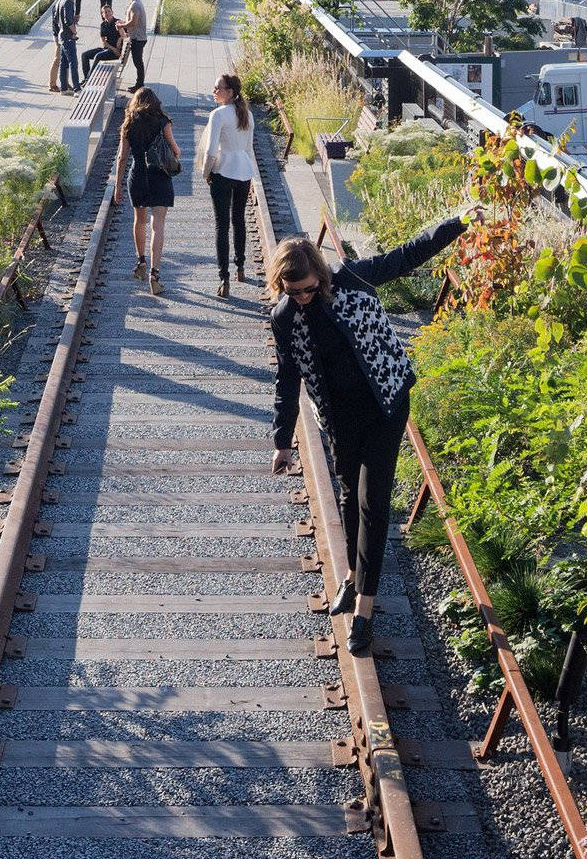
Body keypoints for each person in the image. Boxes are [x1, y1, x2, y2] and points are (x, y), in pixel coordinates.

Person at [268, 217, 474, 655]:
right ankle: (352, 576)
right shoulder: (284, 318)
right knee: (348, 494)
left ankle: (364, 609)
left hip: (385, 403)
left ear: (319, 277)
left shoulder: (351, 278)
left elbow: (406, 255)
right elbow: (288, 379)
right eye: (294, 292)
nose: (303, 298)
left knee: (372, 500)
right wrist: (282, 441)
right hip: (340, 416)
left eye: (308, 288)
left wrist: (456, 224)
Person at [113, 86, 180, 294]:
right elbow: (176, 150)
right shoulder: (163, 122)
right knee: (157, 225)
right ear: (155, 102)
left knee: (139, 220)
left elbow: (122, 157)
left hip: (138, 176)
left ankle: (141, 262)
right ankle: (155, 273)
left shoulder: (128, 123)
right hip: (160, 177)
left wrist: (117, 186)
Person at [199, 72, 256, 298]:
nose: (214, 91)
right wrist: (252, 174)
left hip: (223, 171)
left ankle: (224, 278)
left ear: (230, 92)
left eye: (218, 88)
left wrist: (206, 172)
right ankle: (240, 267)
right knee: (239, 219)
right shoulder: (247, 115)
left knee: (221, 225)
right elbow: (249, 149)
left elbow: (212, 151)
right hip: (243, 171)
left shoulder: (218, 115)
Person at [51, 0, 83, 94]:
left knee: (64, 63)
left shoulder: (60, 1)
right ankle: (77, 89)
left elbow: (56, 19)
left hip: (62, 36)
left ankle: (63, 88)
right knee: (73, 63)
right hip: (68, 37)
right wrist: (74, 32)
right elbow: (68, 21)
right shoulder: (68, 2)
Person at [121, 0, 149, 90]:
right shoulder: (135, 2)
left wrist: (120, 26)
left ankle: (139, 84)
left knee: (138, 62)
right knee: (138, 61)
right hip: (138, 37)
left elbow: (133, 22)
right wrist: (123, 23)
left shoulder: (135, 5)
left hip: (137, 38)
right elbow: (131, 21)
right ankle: (139, 83)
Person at [80, 1, 121, 77]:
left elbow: (127, 35)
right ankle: (86, 78)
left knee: (97, 56)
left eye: (109, 11)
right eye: (105, 12)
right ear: (102, 15)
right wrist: (112, 48)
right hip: (108, 49)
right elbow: (103, 41)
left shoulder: (118, 22)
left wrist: (120, 39)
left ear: (112, 12)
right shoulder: (103, 25)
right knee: (84, 55)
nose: (107, 13)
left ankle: (89, 79)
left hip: (115, 52)